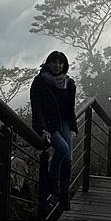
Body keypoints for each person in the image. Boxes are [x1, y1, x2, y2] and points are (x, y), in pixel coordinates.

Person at [30, 50, 77, 211]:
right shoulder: (39, 82)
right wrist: (43, 129)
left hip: (63, 122)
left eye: (60, 63)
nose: (57, 66)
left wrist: (73, 125)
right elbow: (36, 108)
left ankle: (64, 194)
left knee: (68, 160)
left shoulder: (68, 82)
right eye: (54, 62)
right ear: (48, 63)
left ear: (64, 65)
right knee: (63, 149)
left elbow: (70, 108)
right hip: (48, 124)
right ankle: (52, 178)